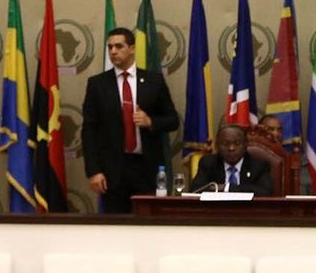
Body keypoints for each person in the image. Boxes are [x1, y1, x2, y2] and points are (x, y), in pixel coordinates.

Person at [82, 27, 180, 214]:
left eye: (119, 46)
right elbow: (89, 131)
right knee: (115, 225)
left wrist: (150, 122)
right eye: (110, 47)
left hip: (147, 169)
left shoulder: (153, 81)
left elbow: (172, 120)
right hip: (112, 171)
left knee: (148, 222)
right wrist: (94, 171)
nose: (113, 51)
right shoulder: (97, 84)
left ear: (132, 48)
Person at [188, 124, 276, 195]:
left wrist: (227, 188)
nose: (231, 148)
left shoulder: (259, 166)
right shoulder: (208, 163)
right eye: (225, 144)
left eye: (237, 143)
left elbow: (265, 192)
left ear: (245, 145)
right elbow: (195, 190)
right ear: (217, 146)